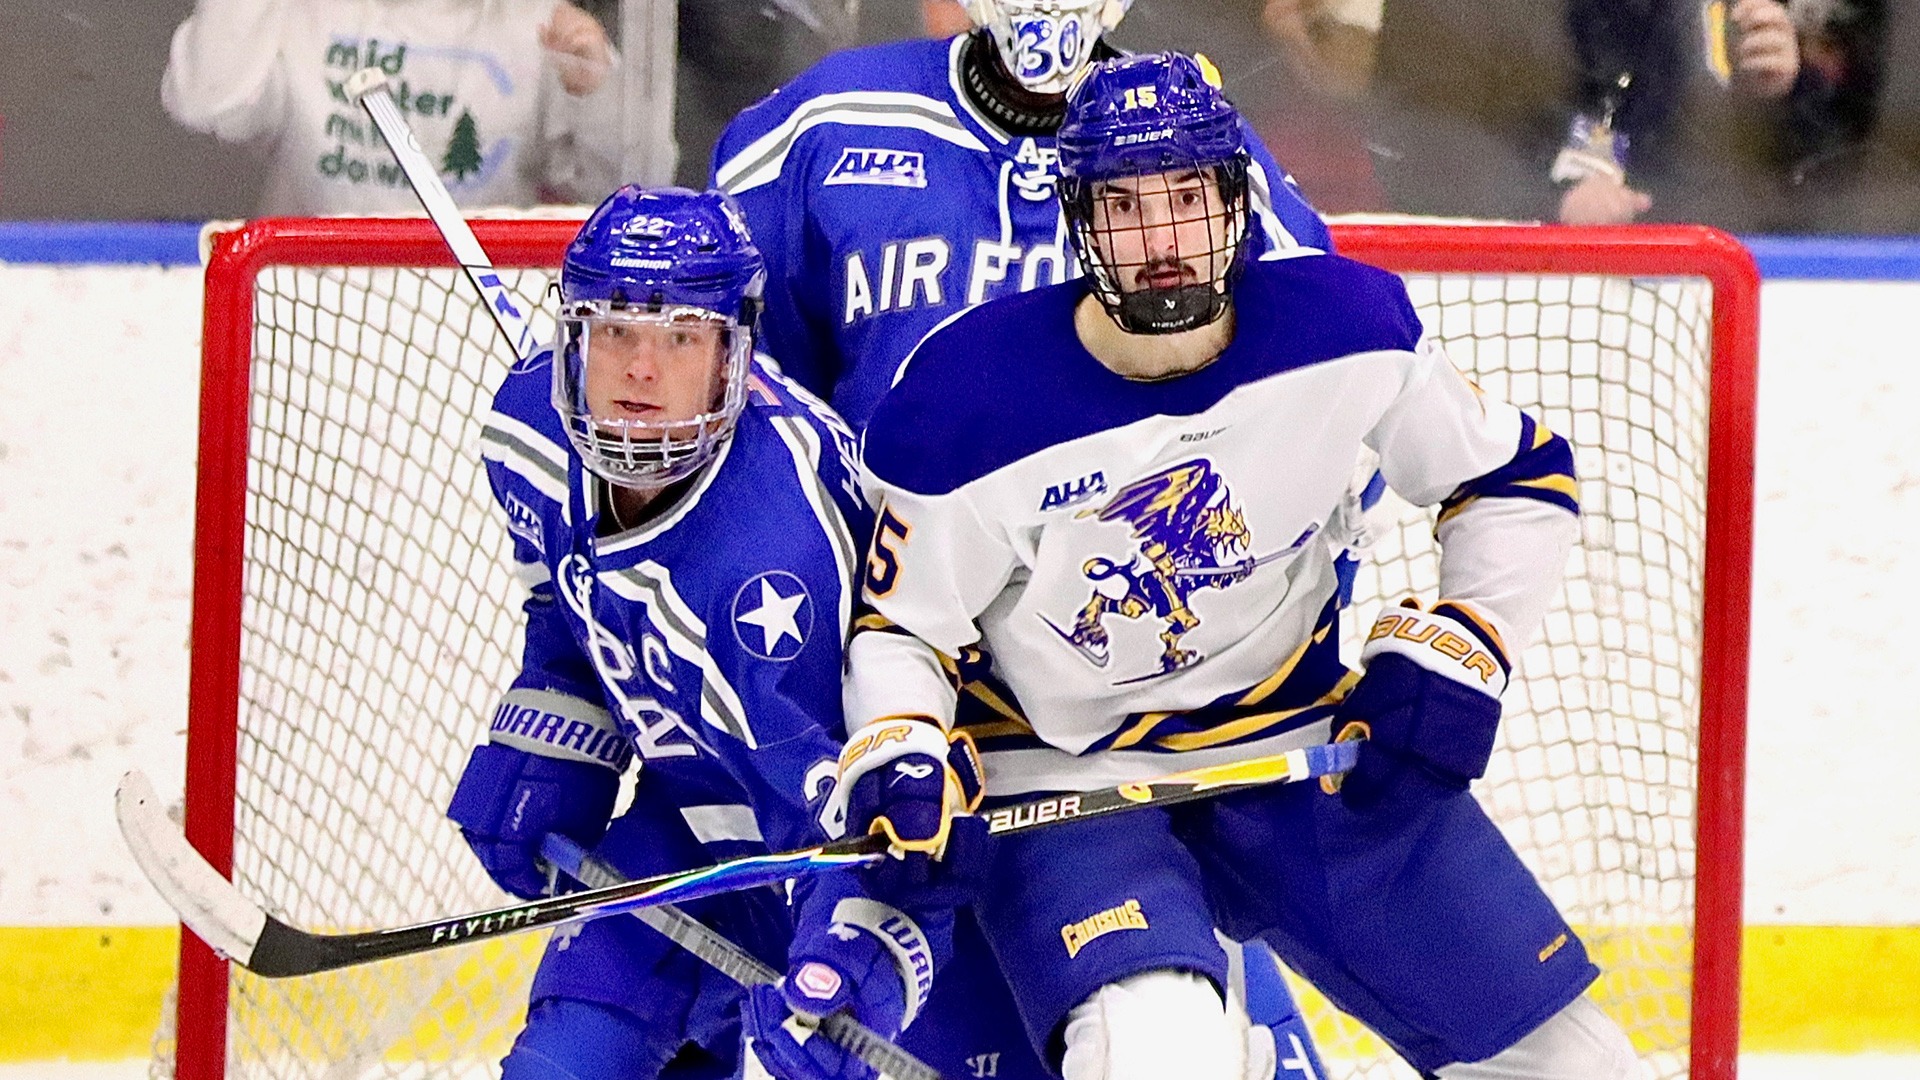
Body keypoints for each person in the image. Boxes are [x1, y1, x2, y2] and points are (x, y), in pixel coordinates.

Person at [842, 50, 1640, 1080]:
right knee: (1157, 1058)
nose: (1162, 240)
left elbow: (1514, 476)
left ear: (1236, 202)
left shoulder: (1349, 331)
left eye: (1186, 198)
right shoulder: (963, 402)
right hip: (1068, 785)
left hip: (1304, 743)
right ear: (1080, 223)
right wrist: (904, 743)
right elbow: (906, 627)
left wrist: (1465, 645)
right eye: (1125, 208)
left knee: (1580, 1069)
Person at [451, 184, 964, 1080]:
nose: (641, 371)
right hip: (690, 819)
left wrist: (856, 954)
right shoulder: (527, 431)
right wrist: (557, 733)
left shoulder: (774, 562)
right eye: (616, 334)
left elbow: (878, 833)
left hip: (817, 847)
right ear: (575, 337)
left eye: (680, 339)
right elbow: (567, 613)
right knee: (563, 1061)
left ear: (733, 358)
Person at [709, 0, 1334, 432]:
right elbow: (747, 391)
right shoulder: (821, 125)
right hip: (885, 587)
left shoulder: (1201, 143)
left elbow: (1328, 379)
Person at [161, 0, 622, 214]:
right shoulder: (303, 11)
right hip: (309, 310)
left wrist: (595, 89)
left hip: (471, 319)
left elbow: (619, 188)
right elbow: (209, 102)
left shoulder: (541, 24)